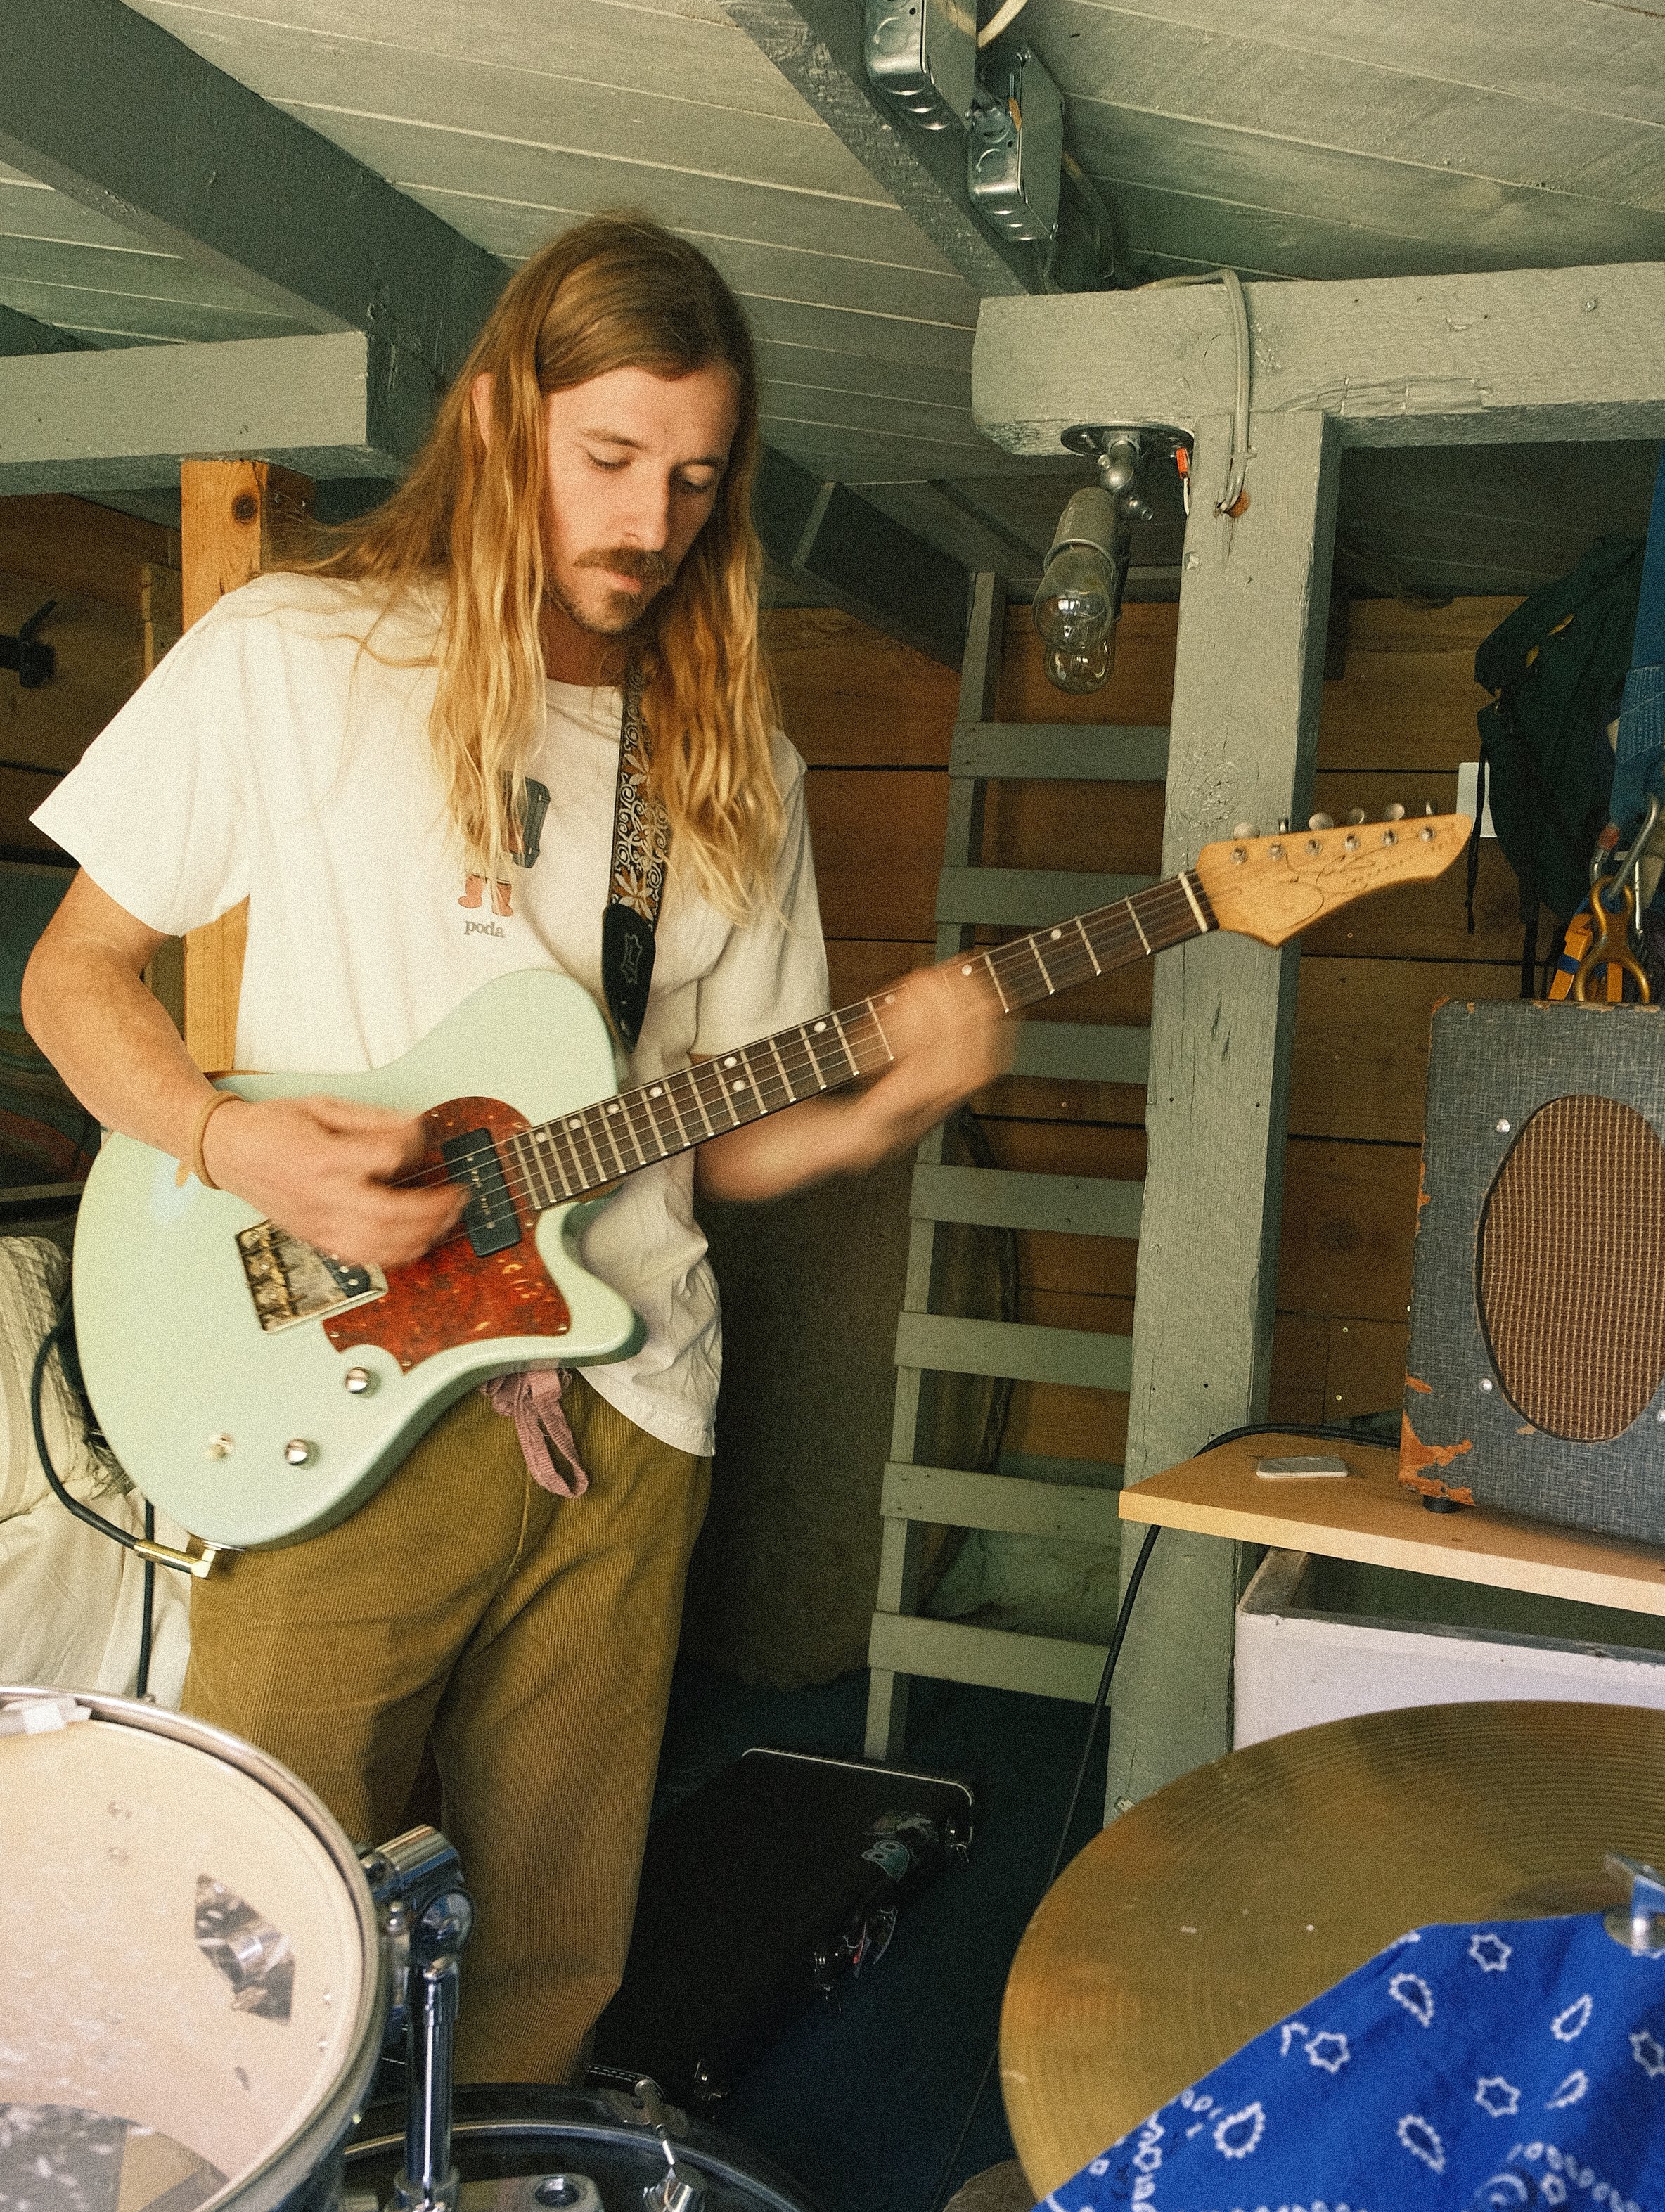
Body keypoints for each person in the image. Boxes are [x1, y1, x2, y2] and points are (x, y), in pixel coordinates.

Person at [22, 212, 1010, 2085]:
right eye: (610, 459)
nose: (652, 520)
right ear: (497, 420)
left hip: (629, 1407)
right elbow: (75, 984)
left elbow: (710, 1142)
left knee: (552, 1962)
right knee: (237, 1924)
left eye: (696, 480)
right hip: (341, 1370)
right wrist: (236, 1144)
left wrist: (886, 1096)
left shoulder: (731, 764)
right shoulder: (295, 656)